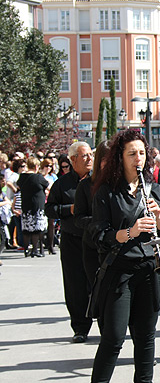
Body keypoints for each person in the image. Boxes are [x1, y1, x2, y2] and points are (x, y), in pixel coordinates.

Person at [88, 129, 160, 383]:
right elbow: (98, 234)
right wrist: (130, 232)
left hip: (150, 268)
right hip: (120, 270)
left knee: (146, 335)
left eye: (141, 153)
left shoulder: (154, 189)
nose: (138, 158)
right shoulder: (107, 192)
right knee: (114, 337)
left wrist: (159, 218)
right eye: (131, 154)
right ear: (120, 158)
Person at [45, 142, 94, 343]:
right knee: (75, 285)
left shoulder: (98, 182)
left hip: (94, 240)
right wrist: (69, 209)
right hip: (72, 239)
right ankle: (80, 327)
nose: (90, 159)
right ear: (73, 160)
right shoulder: (62, 184)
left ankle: (107, 325)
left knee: (98, 282)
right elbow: (49, 210)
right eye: (85, 156)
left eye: (91, 155)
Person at [73, 141, 110, 299]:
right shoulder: (86, 186)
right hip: (93, 246)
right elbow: (78, 218)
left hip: (119, 248)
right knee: (100, 294)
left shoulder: (123, 185)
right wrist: (98, 221)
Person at [18, 157, 49, 258]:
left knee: (27, 228)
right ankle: (35, 249)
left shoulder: (22, 177)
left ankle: (26, 249)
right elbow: (47, 185)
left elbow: (18, 187)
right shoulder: (38, 177)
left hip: (26, 205)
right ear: (36, 166)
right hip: (37, 205)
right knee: (37, 228)